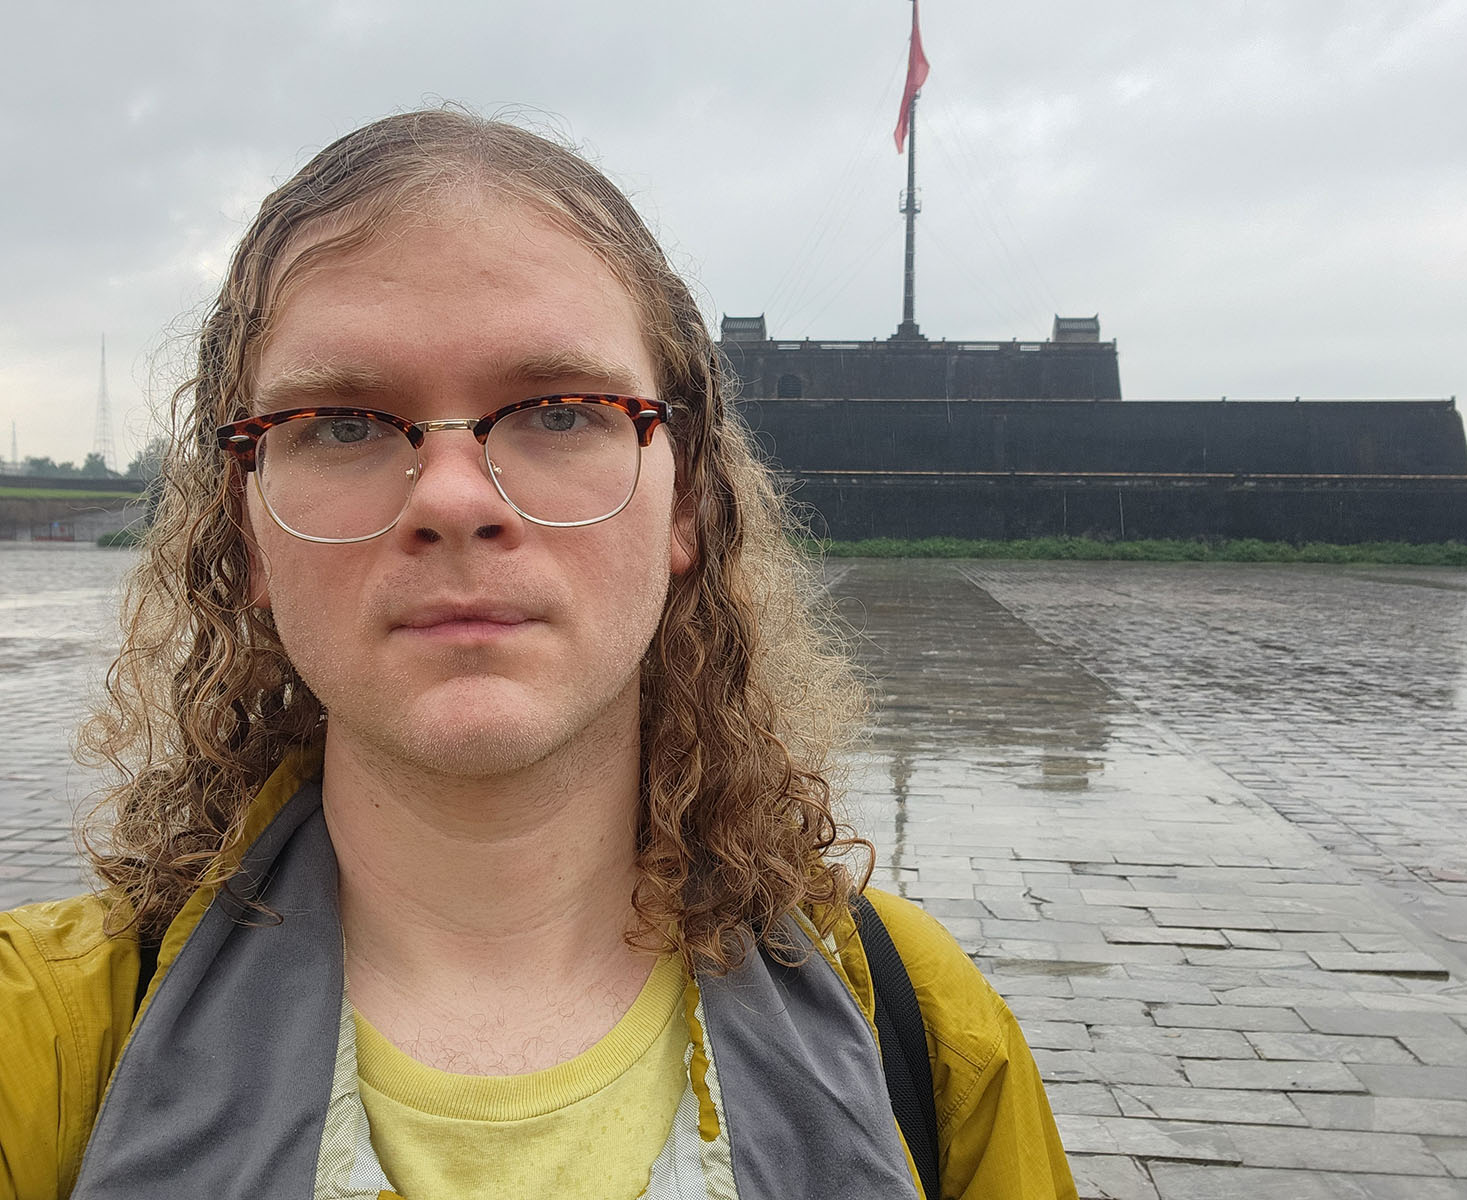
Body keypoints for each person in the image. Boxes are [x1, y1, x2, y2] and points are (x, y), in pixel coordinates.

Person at [0, 109, 1076, 1200]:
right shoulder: (35, 1041)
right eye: (342, 422)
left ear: (685, 502)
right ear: (249, 531)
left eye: (560, 412)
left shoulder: (924, 1031)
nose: (456, 500)